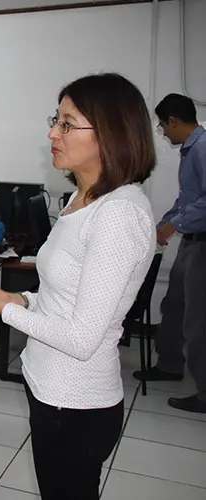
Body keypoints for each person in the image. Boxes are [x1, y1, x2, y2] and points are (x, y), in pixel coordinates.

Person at [0, 73, 156, 500]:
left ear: (111, 133)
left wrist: (4, 312)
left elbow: (83, 339)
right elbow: (60, 298)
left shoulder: (118, 215)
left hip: (76, 403)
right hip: (48, 386)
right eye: (55, 120)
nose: (52, 132)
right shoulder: (81, 200)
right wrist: (14, 297)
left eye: (67, 123)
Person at [134, 93, 206, 413]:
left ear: (174, 120)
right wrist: (161, 225)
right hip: (191, 239)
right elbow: (188, 200)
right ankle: (170, 364)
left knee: (197, 320)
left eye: (163, 126)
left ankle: (204, 393)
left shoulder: (203, 148)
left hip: (202, 242)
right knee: (173, 303)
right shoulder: (191, 150)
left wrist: (172, 226)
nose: (163, 132)